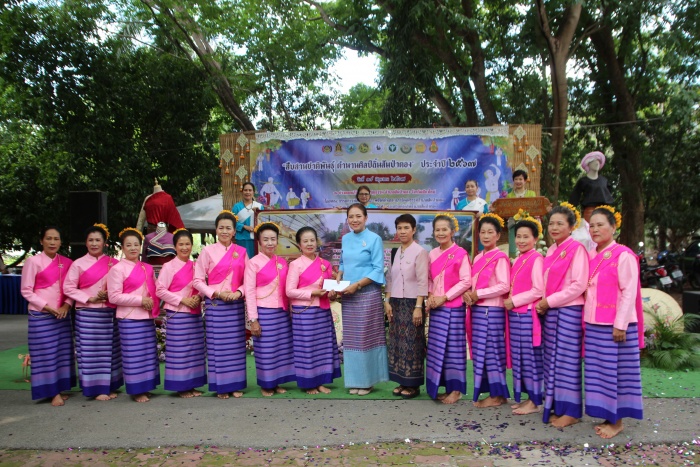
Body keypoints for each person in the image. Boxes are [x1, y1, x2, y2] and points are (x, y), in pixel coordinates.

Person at [584, 206, 644, 439]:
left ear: (613, 227)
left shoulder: (623, 255)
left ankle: (617, 421)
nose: (595, 229)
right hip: (594, 323)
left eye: (600, 225)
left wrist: (621, 324)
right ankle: (607, 414)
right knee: (599, 373)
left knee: (615, 373)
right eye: (592, 226)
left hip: (615, 326)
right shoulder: (592, 255)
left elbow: (629, 291)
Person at [535, 203, 589, 427]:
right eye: (551, 223)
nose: (554, 228)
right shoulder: (551, 250)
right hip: (552, 312)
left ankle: (572, 411)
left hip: (569, 311)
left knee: (567, 361)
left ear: (571, 226)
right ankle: (557, 406)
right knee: (552, 360)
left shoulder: (577, 249)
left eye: (560, 224)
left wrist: (549, 301)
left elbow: (579, 285)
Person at [193, 210, 248, 399]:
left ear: (234, 231)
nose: (225, 231)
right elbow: (198, 280)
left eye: (228, 228)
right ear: (216, 230)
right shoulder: (207, 251)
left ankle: (236, 384)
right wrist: (216, 293)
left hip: (235, 305)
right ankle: (221, 387)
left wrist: (239, 292)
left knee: (235, 346)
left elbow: (249, 280)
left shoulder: (242, 252)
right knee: (219, 346)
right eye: (221, 228)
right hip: (216, 305)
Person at [64, 224, 122, 401]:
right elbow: (68, 288)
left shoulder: (114, 263)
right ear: (86, 242)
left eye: (98, 240)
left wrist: (109, 294)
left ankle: (109, 385)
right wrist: (89, 298)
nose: (94, 243)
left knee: (110, 350)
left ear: (105, 243)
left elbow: (122, 285)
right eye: (91, 240)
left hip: (109, 313)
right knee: (90, 351)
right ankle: (94, 388)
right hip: (87, 313)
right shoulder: (78, 264)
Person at [20, 226, 76, 406]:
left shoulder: (67, 263)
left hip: (62, 315)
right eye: (49, 238)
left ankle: (59, 387)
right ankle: (52, 392)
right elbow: (26, 291)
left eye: (56, 239)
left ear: (61, 242)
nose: (52, 242)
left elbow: (71, 289)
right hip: (41, 315)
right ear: (41, 241)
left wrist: (67, 305)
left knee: (61, 353)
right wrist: (47, 307)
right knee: (45, 353)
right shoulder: (33, 262)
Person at [338, 203, 388, 395]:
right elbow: (342, 262)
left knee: (366, 337)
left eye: (358, 216)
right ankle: (355, 380)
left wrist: (358, 285)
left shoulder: (374, 239)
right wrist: (339, 276)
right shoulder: (345, 238)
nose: (354, 220)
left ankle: (368, 381)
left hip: (367, 294)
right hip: (349, 295)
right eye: (351, 217)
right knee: (352, 339)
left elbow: (377, 269)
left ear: (366, 218)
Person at [107, 228, 160, 403]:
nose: (133, 248)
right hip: (129, 318)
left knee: (147, 354)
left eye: (136, 244)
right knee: (133, 355)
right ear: (122, 247)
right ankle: (136, 390)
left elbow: (155, 289)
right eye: (128, 245)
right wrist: (140, 300)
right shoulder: (117, 269)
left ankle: (146, 386)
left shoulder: (147, 268)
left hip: (146, 316)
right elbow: (114, 297)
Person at [286, 227, 341, 394]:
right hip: (304, 312)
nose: (309, 244)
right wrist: (312, 293)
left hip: (322, 310)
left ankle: (321, 381)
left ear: (317, 242)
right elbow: (289, 291)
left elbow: (329, 289)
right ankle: (309, 383)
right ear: (299, 244)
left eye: (312, 240)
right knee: (307, 347)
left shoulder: (325, 264)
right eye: (305, 241)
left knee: (322, 347)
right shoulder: (295, 265)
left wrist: (332, 293)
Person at [464, 213, 511, 408]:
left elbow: (504, 286)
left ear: (498, 235)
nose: (485, 236)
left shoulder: (500, 258)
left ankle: (497, 395)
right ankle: (494, 392)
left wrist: (479, 294)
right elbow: (473, 284)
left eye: (490, 232)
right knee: (481, 352)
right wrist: (469, 294)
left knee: (492, 351)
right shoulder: (478, 257)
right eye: (482, 232)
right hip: (478, 310)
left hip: (492, 310)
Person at [244, 222, 296, 396]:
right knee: (266, 349)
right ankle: (266, 385)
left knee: (281, 348)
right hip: (263, 311)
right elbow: (249, 292)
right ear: (259, 242)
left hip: (281, 312)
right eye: (265, 239)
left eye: (273, 239)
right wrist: (253, 319)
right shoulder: (253, 263)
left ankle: (277, 381)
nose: (270, 243)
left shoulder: (282, 262)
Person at [425, 213, 471, 404]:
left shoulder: (461, 253)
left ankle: (456, 389)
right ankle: (440, 385)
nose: (441, 233)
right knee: (437, 349)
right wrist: (430, 296)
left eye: (445, 229)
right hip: (436, 308)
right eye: (437, 230)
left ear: (452, 232)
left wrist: (444, 297)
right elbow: (429, 279)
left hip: (453, 307)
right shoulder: (432, 254)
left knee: (454, 349)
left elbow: (466, 281)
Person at [156, 228, 206, 398]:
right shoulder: (168, 266)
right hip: (177, 314)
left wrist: (198, 297)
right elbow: (160, 290)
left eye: (187, 244)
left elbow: (201, 286)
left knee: (195, 350)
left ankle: (192, 385)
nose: (185, 247)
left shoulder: (196, 266)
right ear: (175, 246)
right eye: (181, 244)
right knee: (180, 351)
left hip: (194, 312)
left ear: (192, 245)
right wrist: (182, 300)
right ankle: (181, 387)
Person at [385, 214, 429, 399]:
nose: (402, 231)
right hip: (396, 303)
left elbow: (422, 281)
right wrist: (387, 301)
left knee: (412, 343)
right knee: (397, 343)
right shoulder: (395, 252)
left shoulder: (420, 252)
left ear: (414, 230)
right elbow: (390, 279)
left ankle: (413, 384)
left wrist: (418, 306)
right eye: (399, 228)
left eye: (406, 228)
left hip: (412, 303)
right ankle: (402, 381)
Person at [503, 217, 544, 415]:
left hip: (527, 314)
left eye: (526, 237)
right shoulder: (520, 258)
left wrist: (515, 300)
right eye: (518, 236)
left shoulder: (536, 259)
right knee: (520, 357)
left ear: (535, 239)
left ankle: (535, 401)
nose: (521, 240)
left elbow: (538, 290)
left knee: (530, 359)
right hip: (516, 315)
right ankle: (528, 397)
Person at [568, 151, 614, 223]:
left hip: (604, 211)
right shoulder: (583, 181)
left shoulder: (604, 180)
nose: (597, 163)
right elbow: (574, 198)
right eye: (594, 161)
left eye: (598, 161)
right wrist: (570, 212)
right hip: (590, 212)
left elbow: (609, 195)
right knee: (590, 228)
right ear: (588, 164)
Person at [233, 182, 264, 259]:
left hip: (256, 239)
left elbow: (263, 223)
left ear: (253, 192)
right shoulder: (236, 207)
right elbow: (232, 223)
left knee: (255, 260)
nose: (248, 192)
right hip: (242, 238)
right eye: (245, 190)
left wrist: (257, 212)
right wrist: (244, 226)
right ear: (242, 191)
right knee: (242, 259)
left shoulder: (259, 206)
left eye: (250, 190)